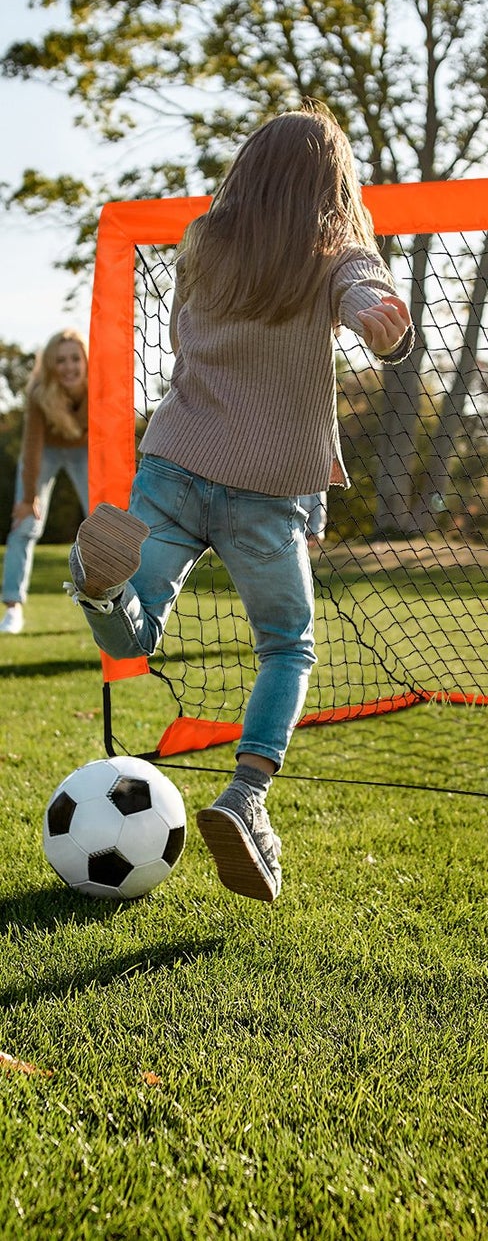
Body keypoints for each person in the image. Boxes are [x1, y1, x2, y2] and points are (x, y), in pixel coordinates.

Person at [65, 103, 413, 903]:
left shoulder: (202, 245)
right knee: (287, 646)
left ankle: (99, 586)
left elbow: (190, 339)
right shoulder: (335, 253)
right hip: (266, 489)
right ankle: (246, 793)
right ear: (332, 183)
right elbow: (367, 288)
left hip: (176, 458)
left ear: (248, 171)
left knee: (141, 622)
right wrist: (377, 322)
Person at [2, 329, 90, 636]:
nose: (68, 367)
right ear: (51, 365)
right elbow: (32, 446)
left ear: (86, 361)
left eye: (75, 359)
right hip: (47, 452)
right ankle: (13, 609)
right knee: (25, 524)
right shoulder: (40, 391)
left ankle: (114, 605)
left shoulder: (101, 386)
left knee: (105, 525)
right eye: (60, 360)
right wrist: (29, 498)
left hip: (85, 450)